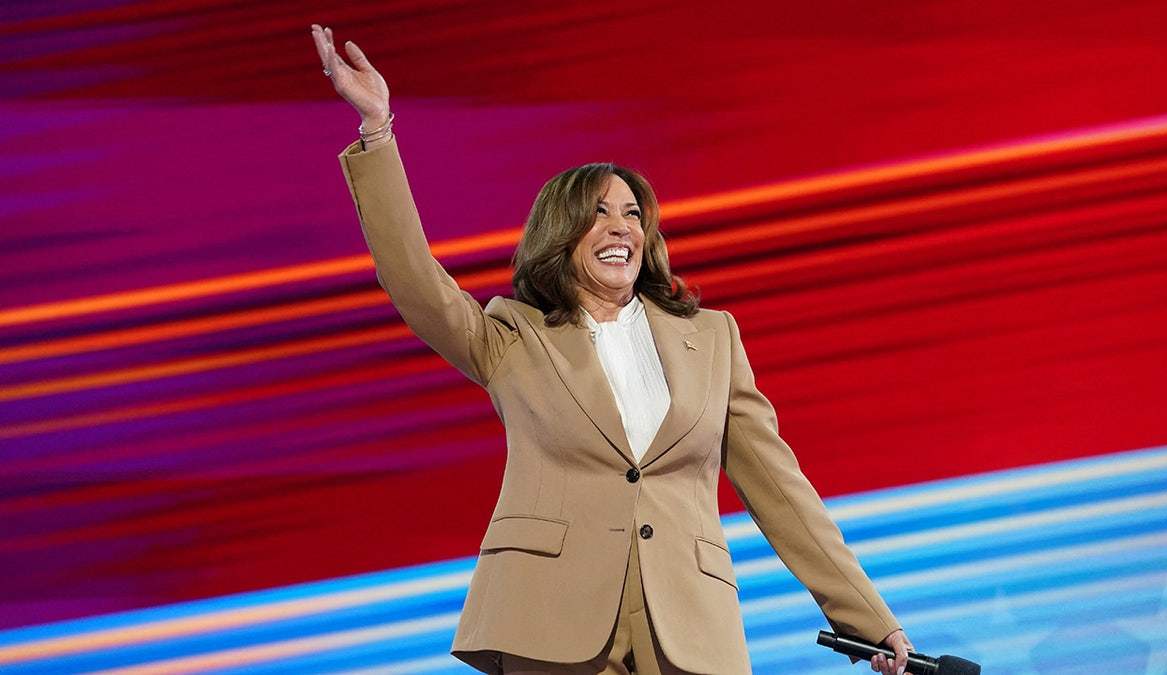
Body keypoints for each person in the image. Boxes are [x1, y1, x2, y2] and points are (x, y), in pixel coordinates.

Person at [311, 24, 915, 675]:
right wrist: (378, 131)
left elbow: (780, 487)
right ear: (562, 233)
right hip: (551, 621)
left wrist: (869, 620)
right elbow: (414, 282)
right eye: (598, 212)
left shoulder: (712, 338)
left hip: (688, 627)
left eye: (631, 212)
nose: (620, 225)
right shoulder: (512, 334)